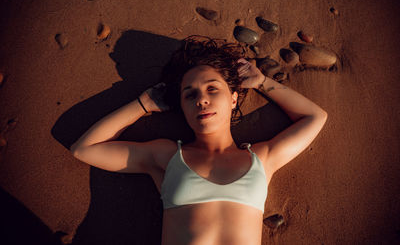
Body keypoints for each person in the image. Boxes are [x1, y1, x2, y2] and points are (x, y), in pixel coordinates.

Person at [70, 35, 328, 245]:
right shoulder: (166, 157)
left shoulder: (262, 159)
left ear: (234, 98)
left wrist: (262, 81)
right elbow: (84, 149)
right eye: (189, 94)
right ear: (181, 107)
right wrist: (142, 104)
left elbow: (315, 117)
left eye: (212, 89)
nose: (201, 100)